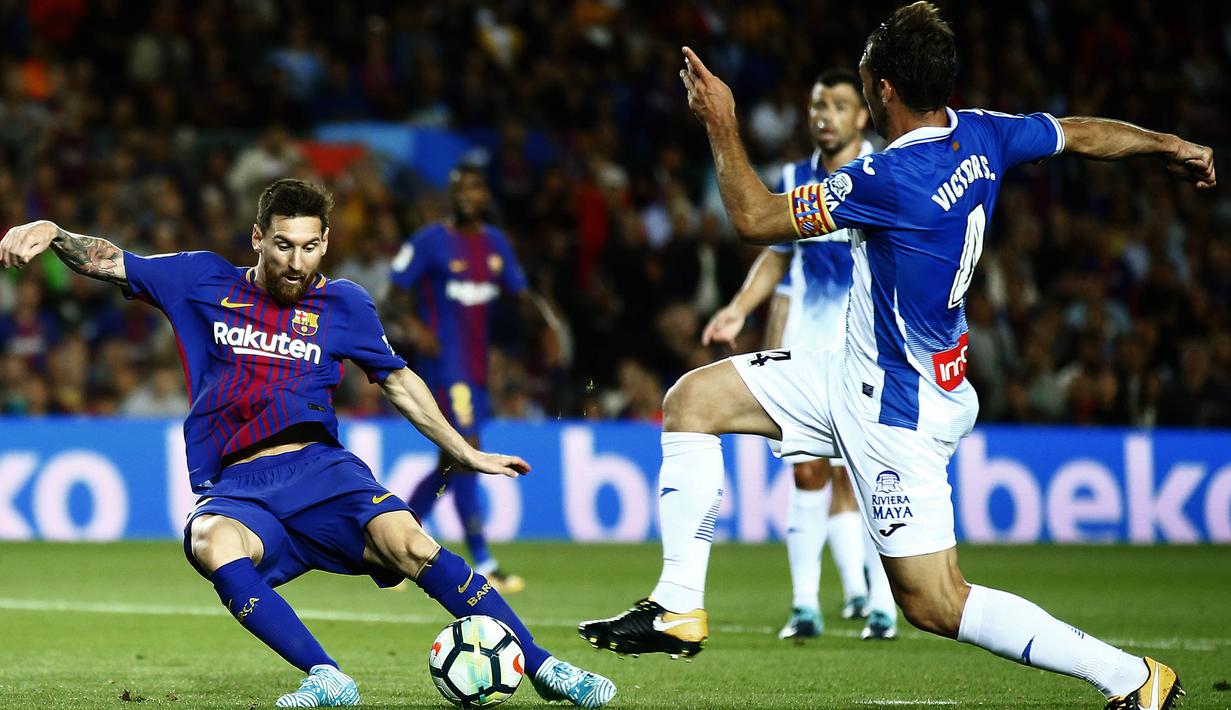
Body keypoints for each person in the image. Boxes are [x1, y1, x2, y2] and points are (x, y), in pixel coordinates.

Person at [580, 4, 1214, 709]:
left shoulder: (886, 179)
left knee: (935, 602)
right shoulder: (981, 133)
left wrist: (719, 121)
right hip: (852, 372)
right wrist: (1165, 143)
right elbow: (1077, 132)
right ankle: (676, 605)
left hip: (896, 408)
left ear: (881, 89)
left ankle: (1133, 678)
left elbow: (754, 218)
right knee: (692, 401)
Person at [0, 179, 614, 709]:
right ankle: (327, 675)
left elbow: (398, 380)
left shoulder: (344, 303)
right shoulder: (201, 280)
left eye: (310, 246)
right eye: (283, 245)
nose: (297, 262)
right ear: (257, 239)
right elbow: (110, 261)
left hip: (322, 471)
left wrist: (464, 451)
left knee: (409, 543)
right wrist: (52, 231)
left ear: (325, 242)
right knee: (209, 539)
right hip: (240, 486)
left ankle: (543, 667)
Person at [700, 68, 897, 642]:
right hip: (809, 347)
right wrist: (739, 309)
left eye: (836, 105)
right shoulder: (793, 179)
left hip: (868, 349)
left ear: (862, 116)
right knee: (808, 474)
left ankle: (882, 605)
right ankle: (805, 605)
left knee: (872, 478)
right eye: (816, 105)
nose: (824, 116)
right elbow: (778, 255)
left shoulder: (884, 174)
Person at [388, 165, 560, 594]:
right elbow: (393, 295)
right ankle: (484, 561)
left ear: (485, 195)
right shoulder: (429, 241)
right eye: (461, 188)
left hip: (478, 368)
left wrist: (546, 329)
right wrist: (416, 328)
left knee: (450, 463)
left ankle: (393, 544)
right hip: (445, 366)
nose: (468, 195)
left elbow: (520, 296)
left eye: (476, 188)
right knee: (468, 453)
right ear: (451, 194)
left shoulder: (495, 243)